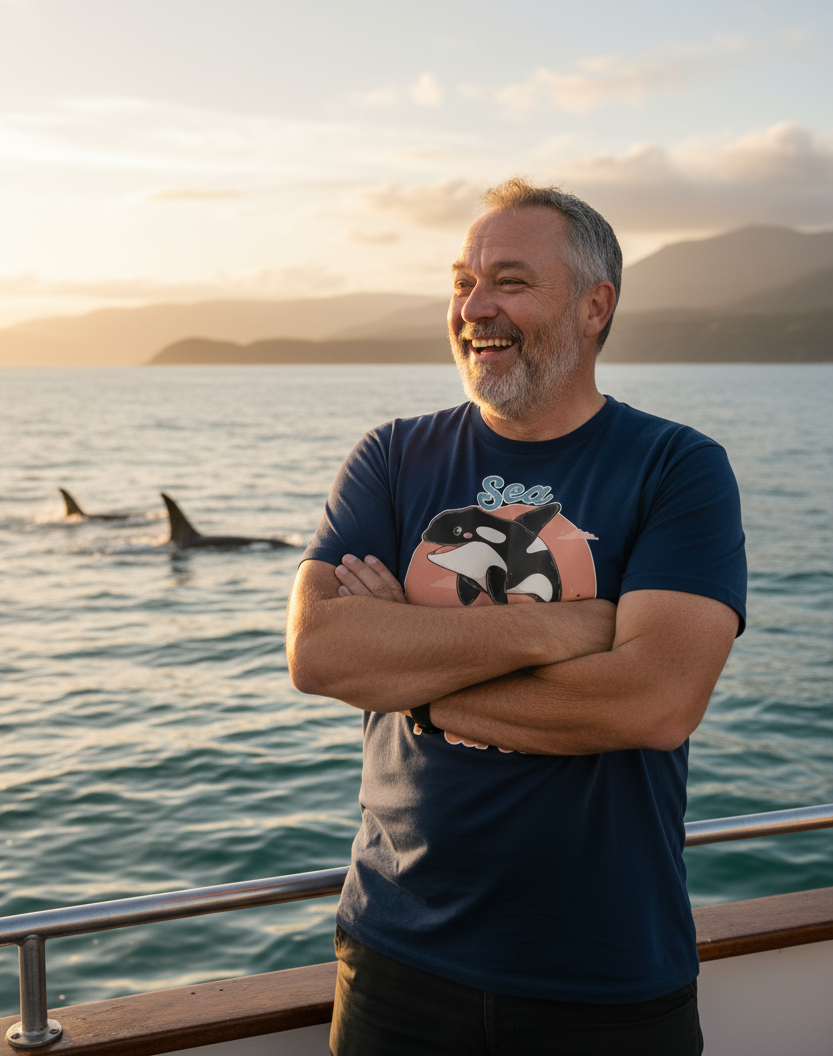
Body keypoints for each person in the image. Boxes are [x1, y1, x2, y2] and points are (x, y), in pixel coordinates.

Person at [286, 177, 746, 1056]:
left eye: (510, 281)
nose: (475, 307)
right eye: (462, 281)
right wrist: (564, 628)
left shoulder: (677, 468)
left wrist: (412, 682)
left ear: (594, 307)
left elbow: (651, 702)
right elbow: (321, 653)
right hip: (394, 960)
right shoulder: (390, 456)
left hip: (606, 973)